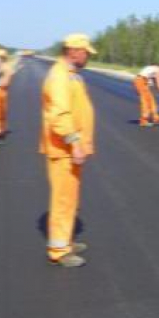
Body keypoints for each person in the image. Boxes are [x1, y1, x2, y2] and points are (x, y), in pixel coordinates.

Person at [40, 33, 96, 268]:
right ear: (73, 51)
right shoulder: (60, 76)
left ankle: (66, 241)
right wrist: (74, 141)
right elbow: (59, 115)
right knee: (63, 200)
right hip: (63, 148)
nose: (88, 56)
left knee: (70, 198)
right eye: (85, 52)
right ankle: (58, 250)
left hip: (71, 147)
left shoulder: (72, 75)